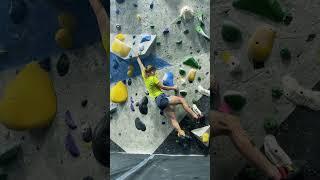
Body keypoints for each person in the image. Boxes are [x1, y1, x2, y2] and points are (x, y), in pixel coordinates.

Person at [136, 53, 203, 137]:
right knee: (182, 100)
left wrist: (137, 57)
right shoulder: (153, 78)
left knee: (173, 118)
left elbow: (141, 65)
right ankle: (195, 116)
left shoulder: (145, 77)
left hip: (158, 102)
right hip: (162, 98)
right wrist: (174, 88)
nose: (155, 72)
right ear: (151, 71)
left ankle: (180, 132)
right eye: (154, 71)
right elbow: (163, 87)